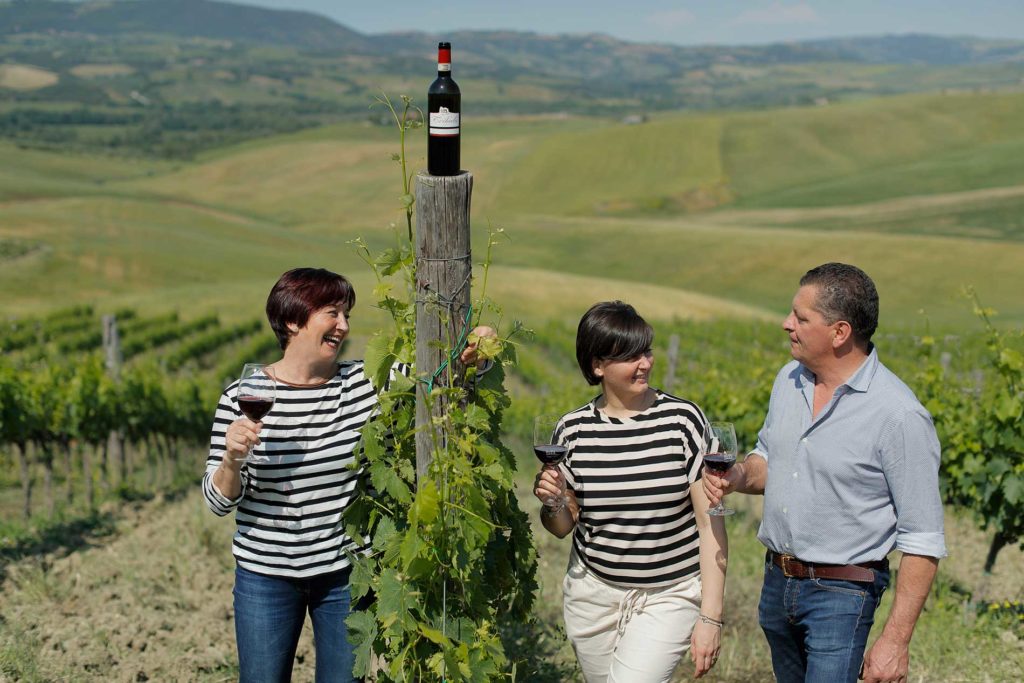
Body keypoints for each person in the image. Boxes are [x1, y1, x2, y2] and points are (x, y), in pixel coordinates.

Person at [202, 267, 491, 683]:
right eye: (332, 313)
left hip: (344, 574)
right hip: (265, 576)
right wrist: (231, 460)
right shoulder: (243, 396)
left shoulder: (363, 383)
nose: (344, 325)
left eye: (346, 314)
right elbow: (217, 501)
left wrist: (473, 349)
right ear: (292, 320)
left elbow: (439, 372)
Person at [703, 263, 946, 683]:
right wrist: (739, 476)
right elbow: (769, 458)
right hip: (777, 584)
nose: (786, 324)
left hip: (842, 594)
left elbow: (923, 538)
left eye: (800, 317)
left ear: (839, 332)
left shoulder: (899, 415)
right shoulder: (789, 380)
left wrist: (895, 641)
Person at [533, 301, 728, 682]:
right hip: (592, 596)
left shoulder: (682, 421)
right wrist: (554, 500)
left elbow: (710, 524)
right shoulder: (572, 431)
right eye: (629, 356)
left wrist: (711, 616)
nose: (645, 363)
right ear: (597, 366)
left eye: (647, 351)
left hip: (669, 594)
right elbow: (561, 526)